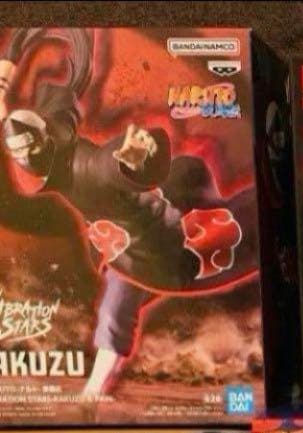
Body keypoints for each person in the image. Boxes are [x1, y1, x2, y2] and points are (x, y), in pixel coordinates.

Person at [0, 28, 256, 398]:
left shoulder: (87, 167)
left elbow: (110, 163)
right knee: (116, 308)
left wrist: (132, 160)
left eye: (26, 152)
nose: (22, 159)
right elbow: (68, 98)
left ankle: (92, 393)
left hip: (159, 246)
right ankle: (93, 392)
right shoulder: (60, 139)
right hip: (148, 249)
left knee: (193, 174)